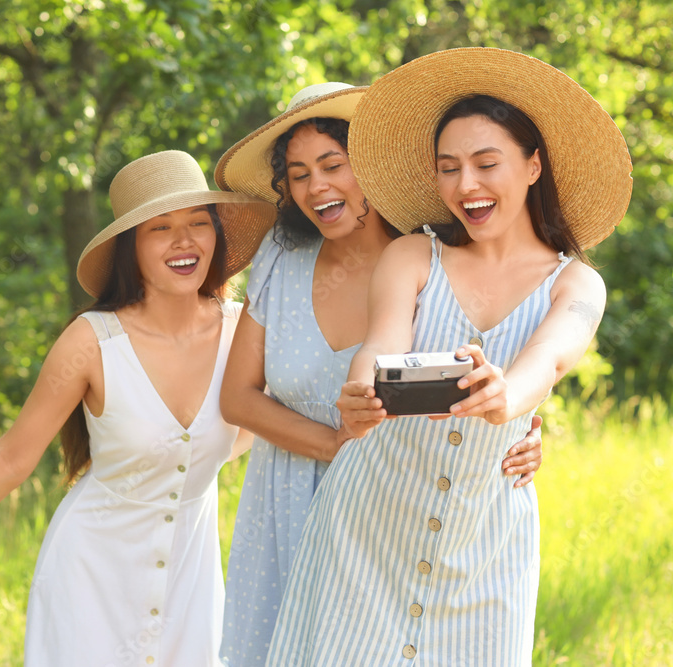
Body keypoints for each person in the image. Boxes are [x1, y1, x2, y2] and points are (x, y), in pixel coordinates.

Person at [266, 48, 632, 665]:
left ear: (533, 165)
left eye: (487, 163)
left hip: (485, 544)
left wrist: (507, 397)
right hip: (368, 529)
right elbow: (380, 346)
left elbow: (549, 360)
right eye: (449, 168)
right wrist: (358, 400)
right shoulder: (414, 256)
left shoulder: (576, 285)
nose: (466, 185)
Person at [0, 150, 276, 666]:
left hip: (192, 583)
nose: (184, 241)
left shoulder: (243, 329)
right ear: (130, 248)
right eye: (159, 228)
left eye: (198, 224)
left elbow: (255, 422)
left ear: (217, 237)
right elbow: (11, 458)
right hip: (89, 577)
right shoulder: (92, 342)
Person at [212, 82, 546, 667]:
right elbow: (238, 398)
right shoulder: (280, 261)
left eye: (332, 164)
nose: (317, 186)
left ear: (368, 165)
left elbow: (497, 355)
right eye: (298, 174)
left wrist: (526, 431)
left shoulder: (427, 259)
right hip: (283, 493)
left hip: (394, 501)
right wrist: (333, 443)